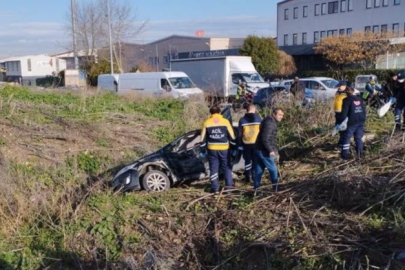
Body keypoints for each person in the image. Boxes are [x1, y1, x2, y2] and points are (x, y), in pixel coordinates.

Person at [200, 106, 236, 194]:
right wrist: (234, 148)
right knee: (226, 168)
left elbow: (202, 139)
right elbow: (232, 137)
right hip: (224, 149)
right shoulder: (225, 122)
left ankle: (215, 189)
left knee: (213, 169)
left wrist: (202, 151)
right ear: (220, 112)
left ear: (210, 113)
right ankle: (228, 188)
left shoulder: (206, 122)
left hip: (212, 149)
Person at [254, 108, 284, 192]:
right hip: (264, 151)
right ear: (274, 114)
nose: (281, 117)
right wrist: (271, 150)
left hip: (259, 149)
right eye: (279, 115)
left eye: (282, 115)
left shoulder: (268, 121)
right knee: (273, 169)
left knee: (258, 170)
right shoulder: (270, 123)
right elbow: (265, 138)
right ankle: (275, 188)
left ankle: (256, 190)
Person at [338, 86, 366, 160]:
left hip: (352, 122)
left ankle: (345, 155)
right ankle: (360, 154)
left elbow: (344, 113)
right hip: (361, 120)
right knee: (358, 138)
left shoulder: (346, 100)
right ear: (353, 91)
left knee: (346, 137)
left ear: (346, 93)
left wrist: (340, 121)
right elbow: (364, 110)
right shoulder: (359, 99)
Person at [238, 104, 262, 183]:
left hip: (246, 143)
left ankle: (248, 176)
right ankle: (254, 176)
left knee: (247, 161)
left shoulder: (242, 120)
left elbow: (239, 134)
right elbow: (262, 131)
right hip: (256, 143)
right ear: (254, 110)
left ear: (247, 110)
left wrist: (239, 144)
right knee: (255, 161)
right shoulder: (258, 119)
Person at [333, 81, 349, 151]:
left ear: (344, 86)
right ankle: (341, 143)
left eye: (340, 86)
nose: (338, 87)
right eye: (338, 86)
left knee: (343, 130)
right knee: (339, 129)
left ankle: (342, 144)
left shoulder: (347, 93)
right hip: (337, 113)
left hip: (344, 114)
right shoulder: (338, 92)